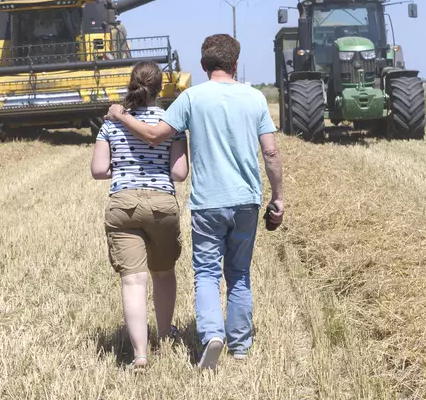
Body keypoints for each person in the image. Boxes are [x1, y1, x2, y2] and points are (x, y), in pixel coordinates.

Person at [107, 34, 284, 371]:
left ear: (203, 67)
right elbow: (271, 152)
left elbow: (154, 135)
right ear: (234, 64)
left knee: (205, 273)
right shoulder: (255, 98)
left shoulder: (191, 99)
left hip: (207, 203)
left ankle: (212, 335)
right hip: (247, 199)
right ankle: (242, 345)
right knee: (239, 274)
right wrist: (277, 197)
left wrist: (121, 115)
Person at [90, 61, 189, 371]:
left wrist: (124, 170)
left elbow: (98, 170)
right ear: (160, 88)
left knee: (133, 281)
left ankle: (140, 355)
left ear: (131, 84)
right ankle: (163, 335)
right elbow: (180, 172)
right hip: (162, 205)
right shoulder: (170, 124)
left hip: (123, 205)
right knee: (162, 273)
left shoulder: (111, 123)